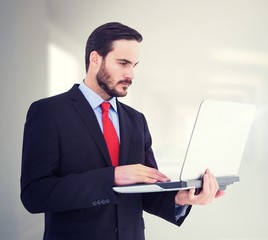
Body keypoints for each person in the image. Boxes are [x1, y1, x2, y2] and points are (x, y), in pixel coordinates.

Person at [20, 22, 224, 240]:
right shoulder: (49, 112)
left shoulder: (136, 120)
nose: (131, 74)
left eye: (134, 65)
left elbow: (145, 191)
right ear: (95, 59)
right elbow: (35, 195)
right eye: (123, 63)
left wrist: (181, 199)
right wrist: (112, 177)